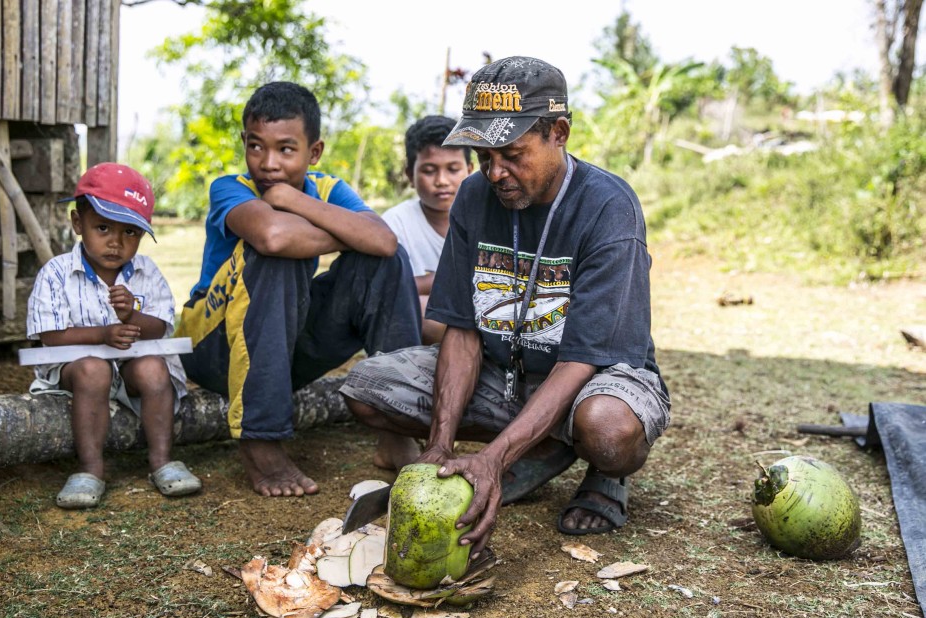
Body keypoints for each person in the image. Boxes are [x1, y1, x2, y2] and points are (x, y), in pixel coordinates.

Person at [340, 56, 671, 551]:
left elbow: (583, 358)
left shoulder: (608, 207)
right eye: (483, 156)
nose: (495, 172)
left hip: (593, 377)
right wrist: (439, 444)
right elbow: (463, 330)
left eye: (512, 154)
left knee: (605, 429)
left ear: (558, 132)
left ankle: (599, 472)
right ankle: (539, 447)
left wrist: (493, 460)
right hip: (507, 374)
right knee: (366, 388)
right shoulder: (474, 197)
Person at [175, 81, 422, 497]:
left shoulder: (326, 188)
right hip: (211, 348)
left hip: (277, 345)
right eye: (256, 146)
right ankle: (261, 440)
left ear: (315, 152)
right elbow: (272, 237)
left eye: (286, 150)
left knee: (384, 264)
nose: (268, 163)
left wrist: (294, 201)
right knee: (274, 255)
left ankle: (398, 428)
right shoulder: (229, 187)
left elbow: (383, 242)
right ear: (244, 143)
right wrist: (344, 230)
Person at [27, 163, 201, 509]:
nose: (116, 242)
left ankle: (162, 461)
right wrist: (103, 335)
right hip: (76, 368)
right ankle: (90, 469)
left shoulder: (146, 272)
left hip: (132, 367)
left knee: (153, 368)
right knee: (95, 369)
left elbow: (160, 326)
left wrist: (130, 316)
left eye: (130, 232)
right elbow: (50, 336)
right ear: (78, 223)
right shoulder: (56, 273)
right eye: (103, 227)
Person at [382, 115, 473, 344]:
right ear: (409, 175)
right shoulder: (396, 223)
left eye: (453, 169)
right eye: (429, 170)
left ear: (470, 170)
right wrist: (448, 280)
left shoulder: (486, 217)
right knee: (420, 310)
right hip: (427, 330)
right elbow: (385, 289)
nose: (442, 180)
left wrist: (433, 281)